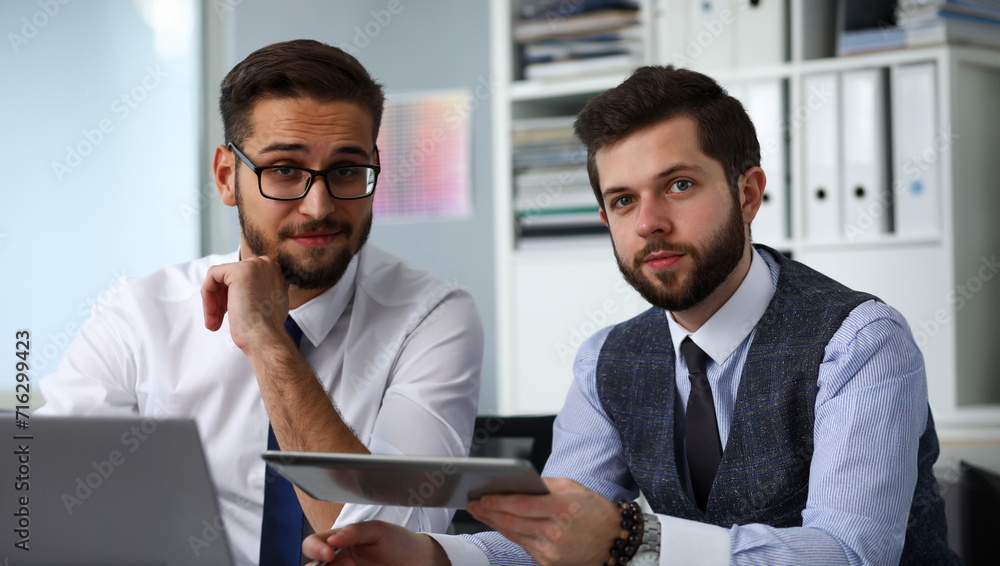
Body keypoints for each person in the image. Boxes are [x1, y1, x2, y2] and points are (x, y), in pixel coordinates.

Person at [302, 65, 959, 565]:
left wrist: (633, 541)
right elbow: (556, 530)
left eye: (679, 185)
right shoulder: (607, 361)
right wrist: (436, 556)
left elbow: (848, 554)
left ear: (748, 192)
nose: (649, 223)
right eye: (622, 200)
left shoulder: (860, 343)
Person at [36, 39, 484, 566]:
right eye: (285, 170)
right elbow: (50, 513)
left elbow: (382, 544)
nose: (319, 207)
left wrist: (268, 342)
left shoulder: (433, 315)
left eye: (346, 170)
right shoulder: (137, 314)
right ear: (227, 177)